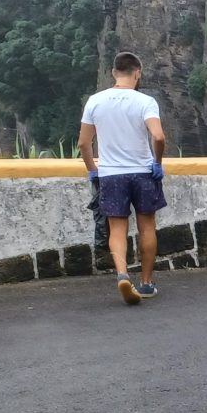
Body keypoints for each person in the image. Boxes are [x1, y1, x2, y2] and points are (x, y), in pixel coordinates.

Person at [79, 50, 167, 305]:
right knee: (147, 226)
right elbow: (158, 137)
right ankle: (147, 284)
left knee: (117, 228)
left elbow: (84, 143)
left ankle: (121, 274)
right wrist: (157, 163)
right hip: (142, 173)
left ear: (113, 73)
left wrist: (93, 171)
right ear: (137, 73)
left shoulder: (95, 101)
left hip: (111, 174)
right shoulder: (145, 102)